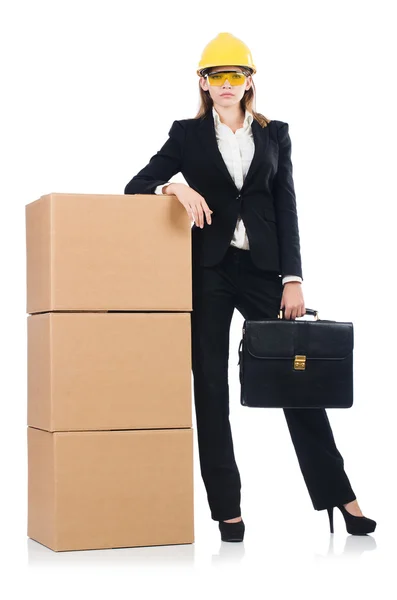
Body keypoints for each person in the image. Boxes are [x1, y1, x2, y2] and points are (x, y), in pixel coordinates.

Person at [124, 32, 376, 541]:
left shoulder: (276, 134)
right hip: (209, 272)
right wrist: (173, 187)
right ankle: (228, 512)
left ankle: (340, 496)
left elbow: (286, 207)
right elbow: (135, 186)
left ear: (249, 81)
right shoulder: (186, 136)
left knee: (297, 380)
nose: (225, 85)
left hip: (265, 273)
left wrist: (292, 278)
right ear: (202, 82)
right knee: (211, 386)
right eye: (216, 76)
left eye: (234, 75)